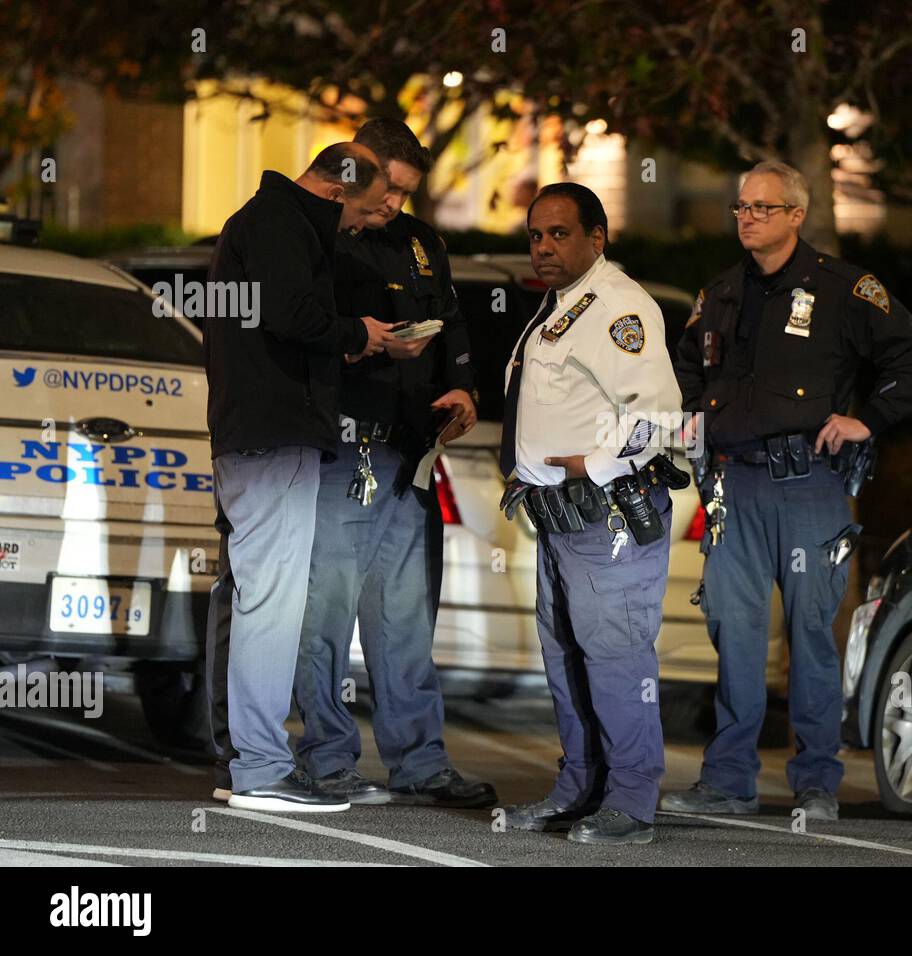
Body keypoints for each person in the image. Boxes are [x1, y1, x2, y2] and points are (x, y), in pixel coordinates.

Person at [661, 161, 912, 821]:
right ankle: (729, 781)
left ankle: (817, 783)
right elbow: (684, 370)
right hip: (736, 484)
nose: (746, 217)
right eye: (740, 207)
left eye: (761, 207)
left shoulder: (843, 289)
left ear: (795, 216)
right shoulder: (722, 292)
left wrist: (866, 419)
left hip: (807, 485)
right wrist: (695, 425)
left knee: (812, 635)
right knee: (735, 634)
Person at [291, 118, 495, 809]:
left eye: (405, 194)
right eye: (388, 190)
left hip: (409, 452)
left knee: (407, 620)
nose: (393, 206)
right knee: (326, 615)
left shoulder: (420, 243)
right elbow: (296, 331)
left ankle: (419, 762)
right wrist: (370, 346)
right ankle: (326, 759)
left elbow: (453, 321)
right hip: (341, 449)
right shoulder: (316, 236)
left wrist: (463, 386)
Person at [204, 143, 394, 812]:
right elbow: (292, 314)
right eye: (366, 212)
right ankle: (259, 766)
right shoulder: (281, 224)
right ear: (339, 193)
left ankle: (250, 762)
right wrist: (357, 333)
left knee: (262, 599)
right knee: (271, 605)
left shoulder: (261, 221)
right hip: (273, 435)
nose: (366, 225)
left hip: (255, 436)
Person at [497, 183, 684, 845]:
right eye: (535, 236)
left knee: (615, 657)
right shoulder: (560, 307)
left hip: (603, 514)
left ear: (596, 237)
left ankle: (631, 802)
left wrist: (594, 466)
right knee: (567, 658)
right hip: (557, 518)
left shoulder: (617, 306)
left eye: (559, 234)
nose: (544, 247)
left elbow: (658, 414)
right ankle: (580, 789)